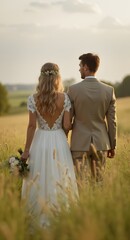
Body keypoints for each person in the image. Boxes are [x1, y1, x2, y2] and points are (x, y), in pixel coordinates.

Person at [21, 62, 78, 227]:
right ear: (57, 77)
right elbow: (67, 126)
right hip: (59, 142)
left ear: (41, 77)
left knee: (39, 177)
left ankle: (37, 218)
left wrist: (26, 151)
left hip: (39, 141)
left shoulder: (33, 99)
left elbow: (32, 126)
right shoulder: (65, 98)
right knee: (60, 177)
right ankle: (60, 217)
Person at [68, 53, 117, 181]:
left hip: (79, 144)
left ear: (85, 67)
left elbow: (68, 120)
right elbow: (112, 122)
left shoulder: (73, 90)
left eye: (80, 66)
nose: (79, 69)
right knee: (99, 183)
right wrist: (113, 145)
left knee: (80, 184)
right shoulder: (108, 91)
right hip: (101, 143)